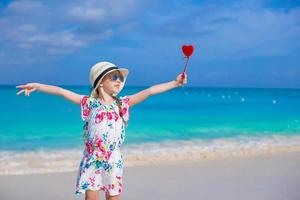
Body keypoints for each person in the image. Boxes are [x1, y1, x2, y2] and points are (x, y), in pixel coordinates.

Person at [16, 61, 188, 200]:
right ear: (100, 82)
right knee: (91, 196)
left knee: (113, 196)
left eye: (120, 78)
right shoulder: (89, 103)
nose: (119, 81)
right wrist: (38, 86)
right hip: (92, 157)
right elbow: (61, 91)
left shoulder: (123, 103)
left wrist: (175, 83)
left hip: (113, 158)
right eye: (114, 77)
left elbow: (150, 91)